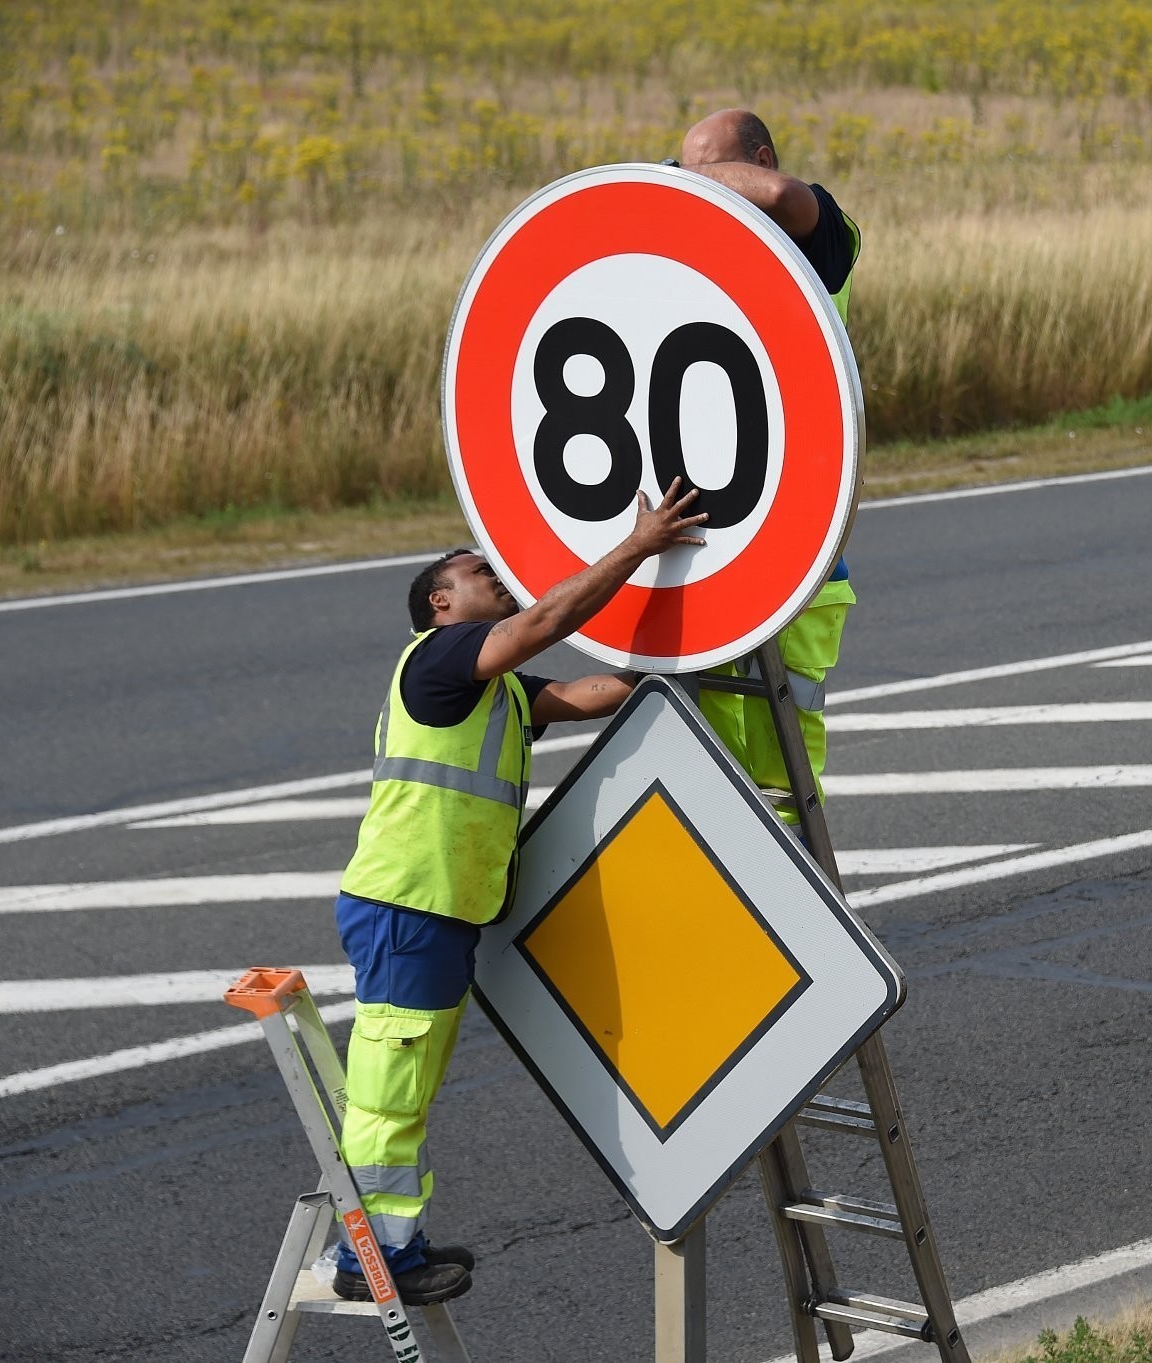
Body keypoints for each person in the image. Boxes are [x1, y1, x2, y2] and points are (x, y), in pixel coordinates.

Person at [329, 480, 706, 1304]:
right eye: (475, 571)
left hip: (439, 911)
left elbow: (586, 693)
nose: (493, 573)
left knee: (409, 1084)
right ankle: (369, 1257)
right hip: (409, 904)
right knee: (389, 1088)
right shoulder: (437, 659)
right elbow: (543, 622)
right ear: (440, 600)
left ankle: (398, 1240)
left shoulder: (491, 689)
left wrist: (693, 651)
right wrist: (638, 546)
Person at [677, 109, 859, 812]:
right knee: (705, 765)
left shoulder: (821, 240)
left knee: (781, 775)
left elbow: (783, 198)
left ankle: (791, 893)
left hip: (797, 542)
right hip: (699, 536)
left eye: (714, 170)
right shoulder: (703, 255)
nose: (698, 190)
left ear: (756, 158)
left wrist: (680, 183)